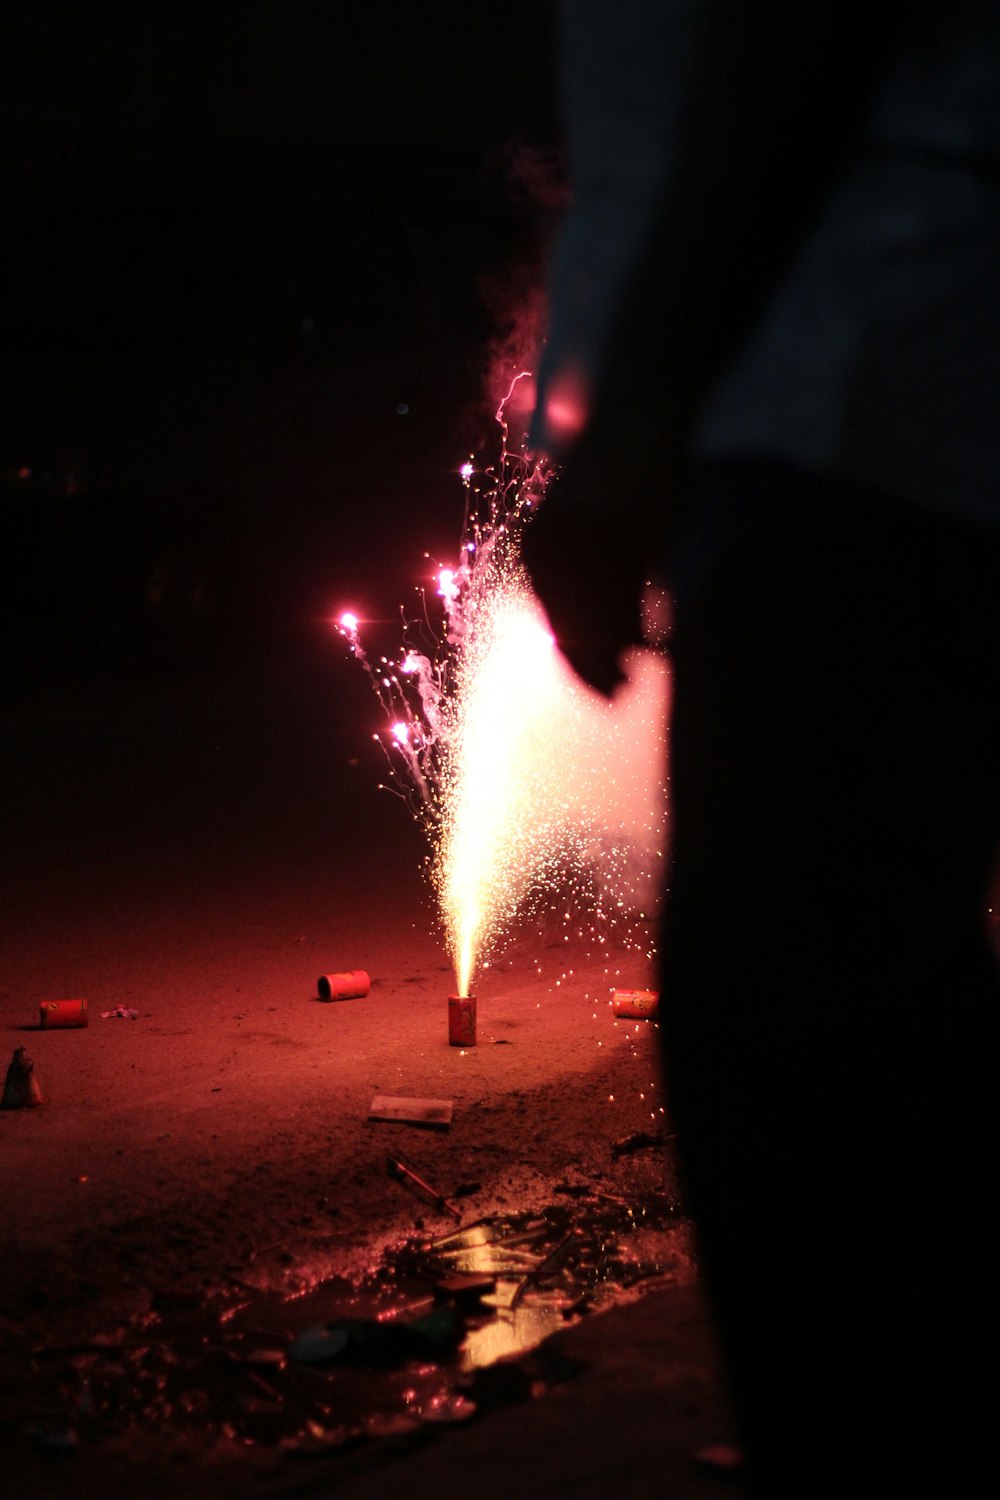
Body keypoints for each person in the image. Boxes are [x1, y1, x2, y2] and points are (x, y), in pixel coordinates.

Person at [524, 3, 1000, 1495]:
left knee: (804, 1063)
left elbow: (792, 56)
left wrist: (631, 430)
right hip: (876, 403)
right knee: (882, 1017)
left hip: (838, 399)